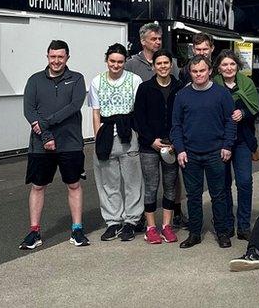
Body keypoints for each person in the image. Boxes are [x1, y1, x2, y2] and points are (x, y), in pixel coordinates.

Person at [19, 40, 89, 249]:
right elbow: (29, 111)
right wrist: (46, 136)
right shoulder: (35, 80)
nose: (56, 61)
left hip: (70, 143)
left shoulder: (76, 79)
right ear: (47, 56)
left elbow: (74, 106)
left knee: (74, 185)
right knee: (38, 186)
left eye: (60, 57)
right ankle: (34, 231)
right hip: (41, 145)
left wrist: (46, 123)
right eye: (53, 56)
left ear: (67, 57)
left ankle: (77, 229)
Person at [171, 55, 236, 249]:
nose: (198, 74)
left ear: (210, 71)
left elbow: (230, 122)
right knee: (193, 196)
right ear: (190, 73)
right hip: (190, 154)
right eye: (194, 71)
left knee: (219, 195)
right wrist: (180, 149)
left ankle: (223, 232)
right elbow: (176, 125)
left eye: (202, 70)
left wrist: (227, 145)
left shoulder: (222, 94)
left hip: (216, 152)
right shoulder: (182, 96)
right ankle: (194, 233)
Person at [89, 44, 144, 242]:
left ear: (125, 62)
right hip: (106, 134)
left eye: (120, 61)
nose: (116, 65)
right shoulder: (96, 81)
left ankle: (131, 220)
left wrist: (137, 133)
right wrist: (98, 137)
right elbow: (95, 111)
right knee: (107, 182)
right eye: (112, 61)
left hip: (128, 133)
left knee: (132, 181)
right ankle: (113, 221)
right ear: (107, 61)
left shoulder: (134, 80)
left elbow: (139, 108)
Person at [132, 49, 183, 244]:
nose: (162, 66)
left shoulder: (179, 88)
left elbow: (182, 117)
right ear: (153, 66)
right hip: (149, 146)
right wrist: (151, 140)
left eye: (166, 63)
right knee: (151, 185)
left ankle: (167, 226)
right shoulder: (145, 88)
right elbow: (138, 118)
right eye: (159, 63)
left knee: (170, 185)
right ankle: (151, 228)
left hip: (171, 145)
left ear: (171, 65)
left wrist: (175, 141)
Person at [214, 50, 259, 240]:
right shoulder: (213, 85)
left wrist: (243, 112)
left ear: (237, 66)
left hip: (242, 141)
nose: (229, 68)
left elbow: (255, 108)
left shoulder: (247, 83)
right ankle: (226, 223)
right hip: (220, 141)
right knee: (223, 184)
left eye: (232, 64)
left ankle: (243, 225)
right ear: (218, 68)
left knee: (244, 182)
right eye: (224, 65)